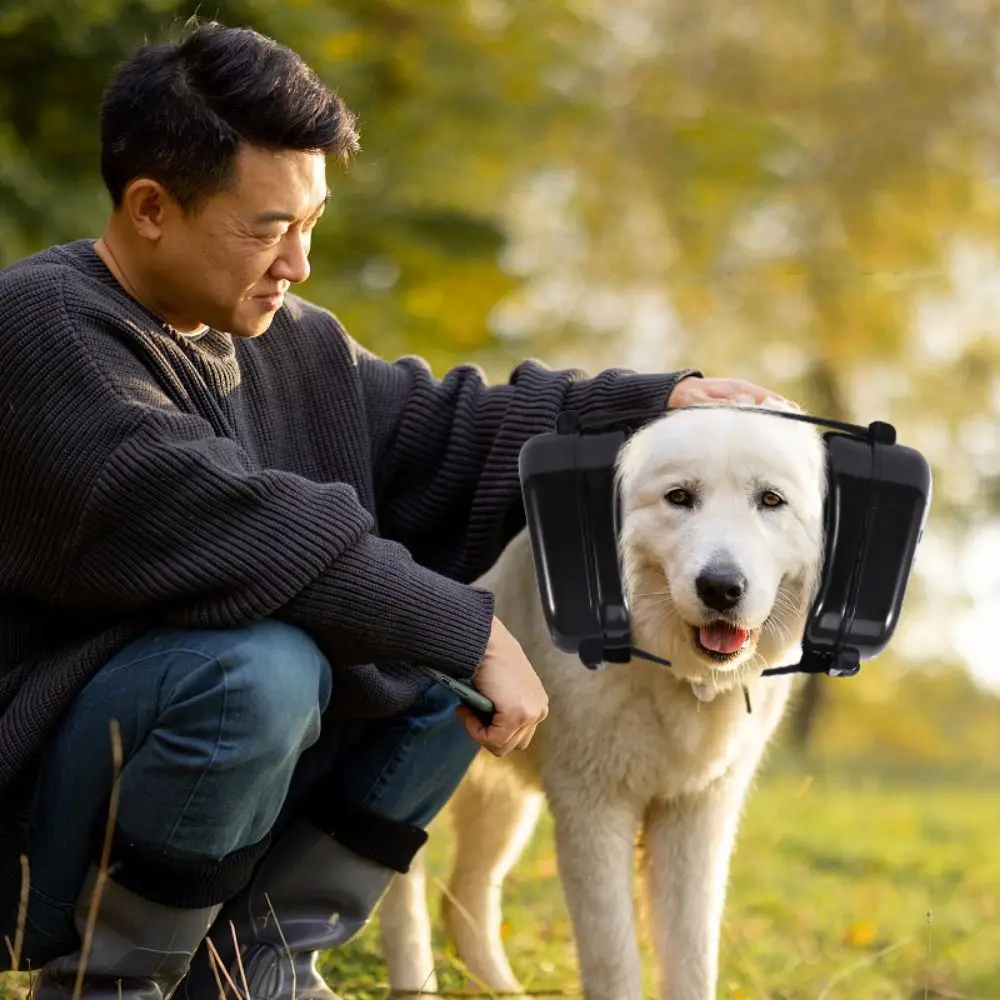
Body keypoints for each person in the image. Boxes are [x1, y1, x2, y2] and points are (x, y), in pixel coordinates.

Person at [0, 19, 791, 1000]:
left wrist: (649, 402)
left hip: (168, 788)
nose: (299, 263)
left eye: (313, 224)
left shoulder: (286, 338)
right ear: (152, 207)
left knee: (423, 666)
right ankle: (111, 981)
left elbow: (442, 429)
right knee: (262, 667)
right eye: (269, 228)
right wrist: (471, 630)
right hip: (33, 810)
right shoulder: (37, 330)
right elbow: (224, 515)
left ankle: (254, 968)